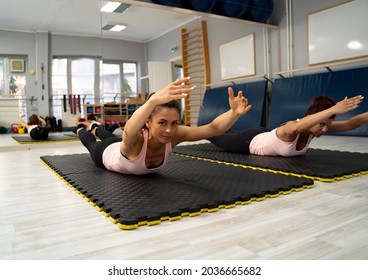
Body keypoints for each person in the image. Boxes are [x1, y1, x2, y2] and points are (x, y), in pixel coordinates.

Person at [76, 77, 251, 175]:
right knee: (92, 143)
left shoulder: (175, 135)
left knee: (109, 135)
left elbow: (213, 129)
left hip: (119, 144)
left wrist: (233, 113)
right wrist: (152, 101)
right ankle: (84, 130)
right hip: (107, 153)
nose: (169, 130)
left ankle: (98, 129)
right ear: (148, 122)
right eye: (162, 123)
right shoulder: (135, 139)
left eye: (174, 123)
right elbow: (129, 129)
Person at [208, 94, 366, 156]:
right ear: (311, 117)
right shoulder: (291, 128)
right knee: (214, 134)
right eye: (322, 125)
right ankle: (206, 126)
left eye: (327, 126)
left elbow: (351, 124)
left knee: (230, 131)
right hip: (248, 142)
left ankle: (224, 125)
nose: (324, 130)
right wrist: (333, 109)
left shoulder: (316, 128)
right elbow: (297, 127)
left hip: (263, 133)